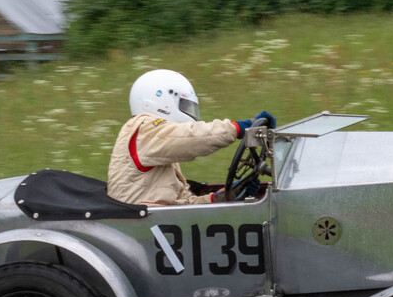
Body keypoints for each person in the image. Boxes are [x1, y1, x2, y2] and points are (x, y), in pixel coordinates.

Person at [107, 69, 273, 205]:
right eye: (185, 106)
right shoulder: (143, 129)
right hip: (142, 226)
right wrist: (236, 128)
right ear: (160, 101)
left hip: (158, 222)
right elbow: (191, 137)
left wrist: (220, 198)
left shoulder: (158, 144)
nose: (189, 113)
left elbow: (184, 203)